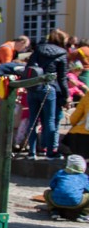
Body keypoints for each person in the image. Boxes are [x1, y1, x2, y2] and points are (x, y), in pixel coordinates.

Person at [25, 28, 69, 159]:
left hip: (33, 87)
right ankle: (50, 152)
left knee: (33, 120)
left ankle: (32, 152)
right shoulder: (62, 53)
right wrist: (66, 95)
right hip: (49, 88)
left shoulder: (38, 49)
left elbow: (29, 67)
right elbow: (62, 78)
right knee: (49, 120)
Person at [43, 154, 89, 222]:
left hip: (56, 201)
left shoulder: (60, 173)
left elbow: (52, 185)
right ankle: (84, 215)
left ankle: (54, 211)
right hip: (75, 203)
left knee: (47, 192)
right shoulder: (84, 177)